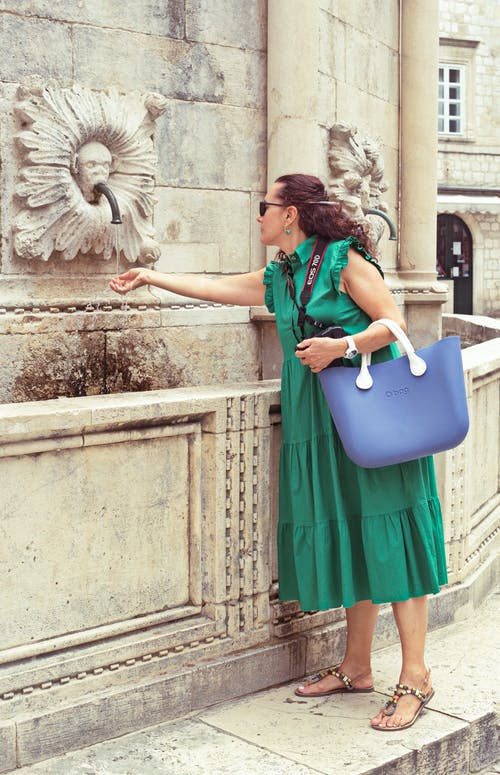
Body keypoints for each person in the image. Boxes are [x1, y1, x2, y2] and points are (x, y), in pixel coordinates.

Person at [109, 173, 447, 731]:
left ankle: (416, 676)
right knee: (351, 530)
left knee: (391, 534)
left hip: (371, 412)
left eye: (264, 205)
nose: (257, 214)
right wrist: (153, 278)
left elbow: (394, 322)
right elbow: (221, 288)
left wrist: (342, 344)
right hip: (319, 416)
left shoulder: (342, 259)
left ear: (290, 214)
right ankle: (356, 667)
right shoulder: (284, 272)